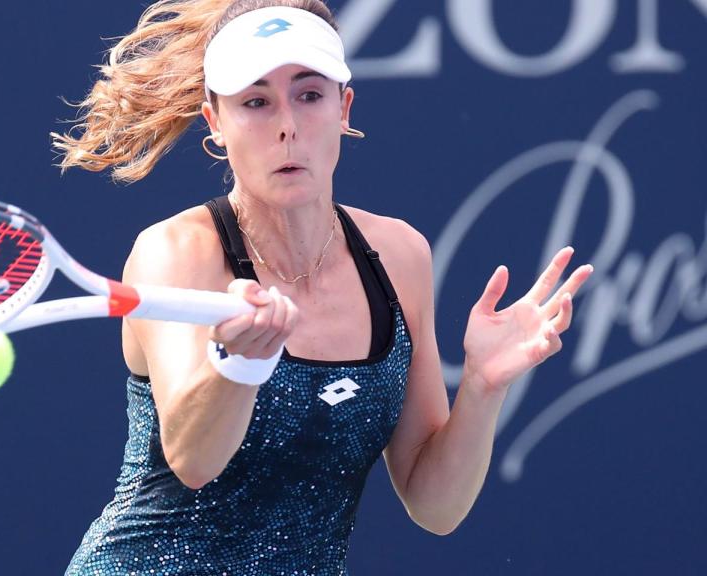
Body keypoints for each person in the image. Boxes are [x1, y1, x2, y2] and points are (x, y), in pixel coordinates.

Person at [52, 1, 593, 574]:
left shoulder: (399, 255)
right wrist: (239, 363)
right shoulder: (177, 254)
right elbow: (192, 459)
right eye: (256, 102)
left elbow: (435, 505)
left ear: (344, 107)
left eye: (309, 95)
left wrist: (483, 388)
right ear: (214, 121)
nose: (287, 125)